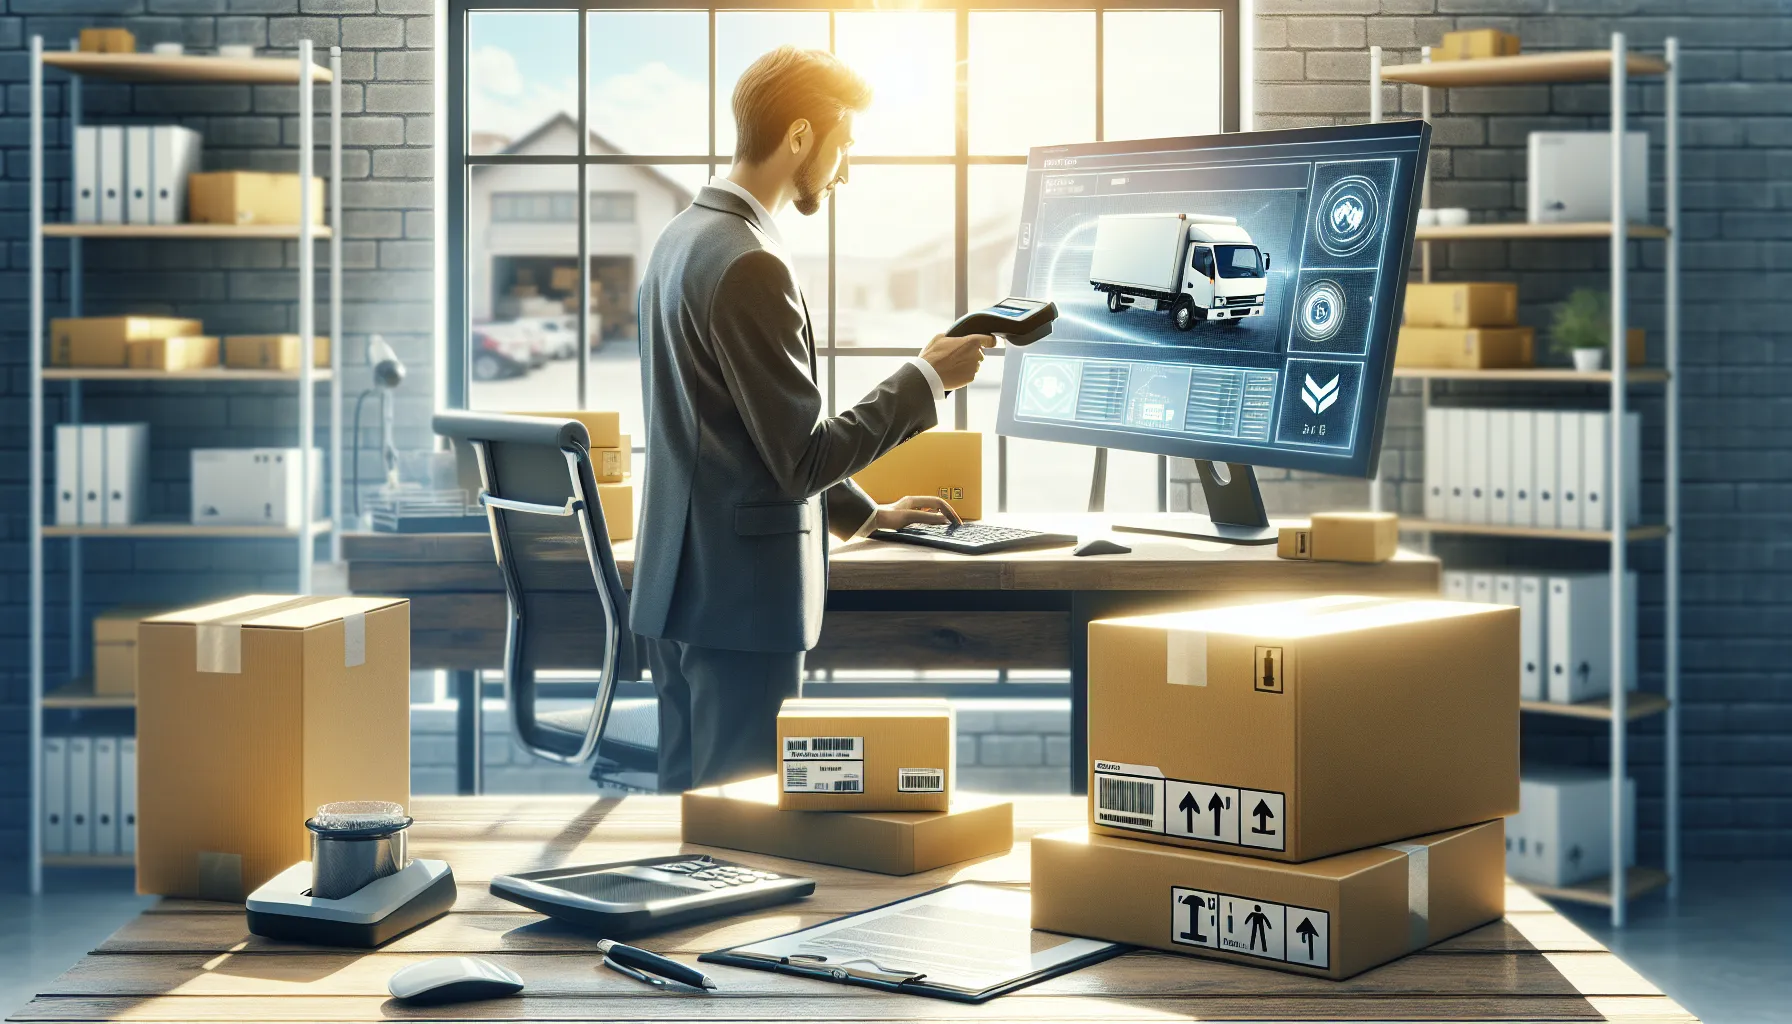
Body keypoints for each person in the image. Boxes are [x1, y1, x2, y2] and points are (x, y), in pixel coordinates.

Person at [632, 46, 995, 792]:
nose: (846, 169)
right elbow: (798, 457)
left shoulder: (681, 238)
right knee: (743, 842)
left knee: (687, 827)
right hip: (740, 604)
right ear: (800, 136)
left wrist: (864, 515)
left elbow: (740, 433)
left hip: (676, 592)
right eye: (846, 145)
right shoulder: (750, 262)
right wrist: (928, 378)